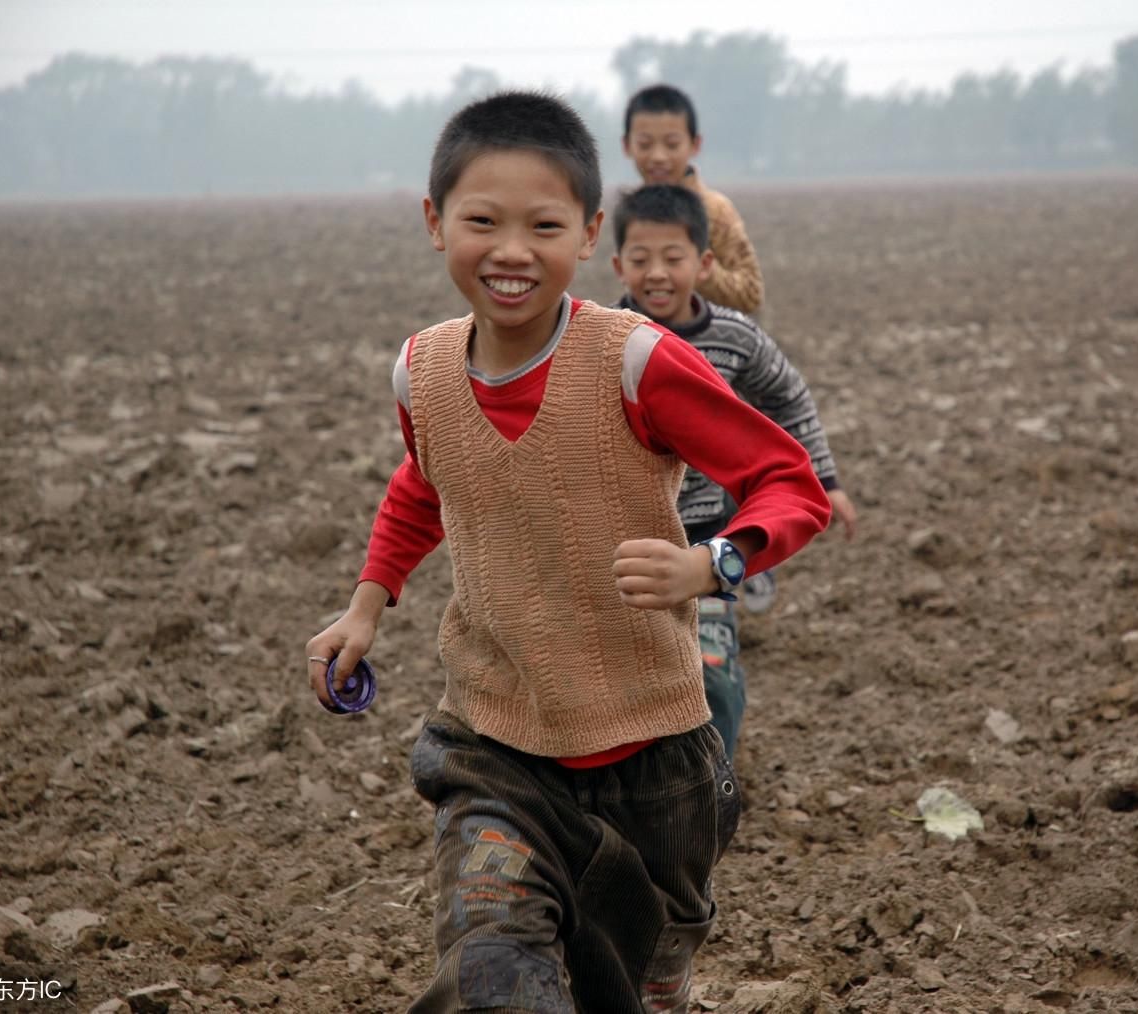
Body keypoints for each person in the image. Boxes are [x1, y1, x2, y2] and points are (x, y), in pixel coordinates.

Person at [305, 91, 832, 1012]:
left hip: (653, 758)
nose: (511, 251)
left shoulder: (637, 362)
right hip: (495, 745)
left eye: (543, 225)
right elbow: (426, 481)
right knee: (494, 971)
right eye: (482, 222)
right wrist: (366, 602)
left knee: (636, 984)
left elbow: (790, 481)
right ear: (435, 223)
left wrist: (713, 564)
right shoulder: (419, 372)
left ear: (588, 234)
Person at [611, 183, 858, 756]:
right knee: (622, 674)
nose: (657, 274)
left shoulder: (735, 337)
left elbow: (790, 397)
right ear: (618, 263)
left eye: (673, 259)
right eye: (641, 260)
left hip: (706, 535)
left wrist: (826, 482)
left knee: (711, 669)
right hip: (621, 536)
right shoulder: (599, 339)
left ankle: (710, 780)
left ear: (704, 263)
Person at [622, 83, 765, 317]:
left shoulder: (715, 211)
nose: (658, 157)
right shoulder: (631, 213)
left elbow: (751, 293)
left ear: (695, 144)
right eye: (645, 144)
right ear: (627, 146)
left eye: (672, 144)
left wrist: (696, 268)